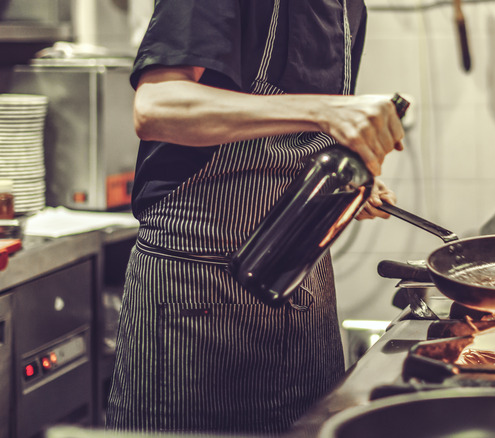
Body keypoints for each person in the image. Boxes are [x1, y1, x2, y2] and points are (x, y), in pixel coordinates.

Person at [105, 0, 405, 434]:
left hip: (304, 292)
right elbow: (158, 106)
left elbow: (294, 138)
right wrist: (326, 111)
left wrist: (340, 188)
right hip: (199, 296)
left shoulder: (348, 8)